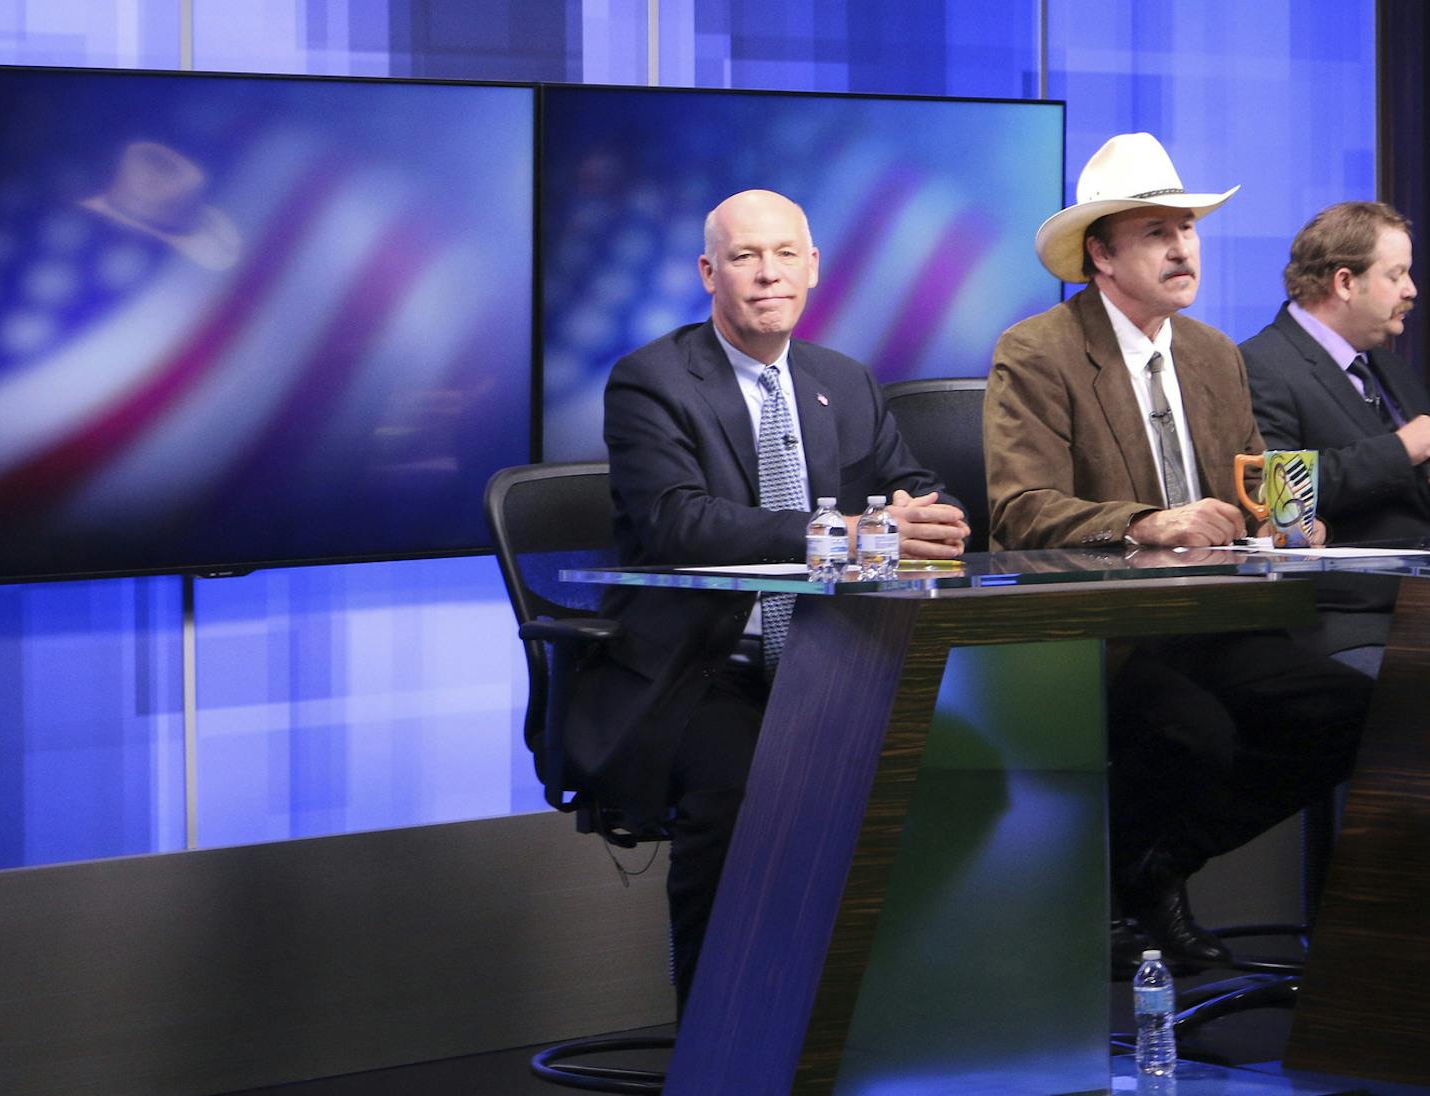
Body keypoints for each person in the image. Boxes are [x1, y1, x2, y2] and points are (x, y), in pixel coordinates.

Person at [567, 189, 969, 1011]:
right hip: (704, 668)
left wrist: (920, 520)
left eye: (785, 254)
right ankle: (720, 1044)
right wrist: (840, 534)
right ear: (709, 273)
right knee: (745, 796)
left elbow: (914, 491)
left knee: (972, 774)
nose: (767, 274)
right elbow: (680, 521)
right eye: (746, 258)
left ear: (814, 268)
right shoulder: (650, 382)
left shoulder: (843, 382)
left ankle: (867, 1023)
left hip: (835, 663)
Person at [985, 133, 1371, 968]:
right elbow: (1020, 510)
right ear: (1101, 254)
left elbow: (1256, 490)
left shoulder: (1211, 354)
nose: (1183, 247)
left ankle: (1149, 868)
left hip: (1208, 621)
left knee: (1348, 710)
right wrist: (1146, 522)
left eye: (1188, 230)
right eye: (1158, 231)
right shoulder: (1037, 351)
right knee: (1190, 732)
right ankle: (1113, 892)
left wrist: (1285, 524)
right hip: (1094, 635)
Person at [1237, 201, 1430, 671]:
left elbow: (1425, 474)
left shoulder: (1391, 369)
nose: (1411, 290)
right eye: (1396, 275)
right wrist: (1400, 449)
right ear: (1345, 282)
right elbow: (1283, 499)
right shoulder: (1259, 364)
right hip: (1340, 620)